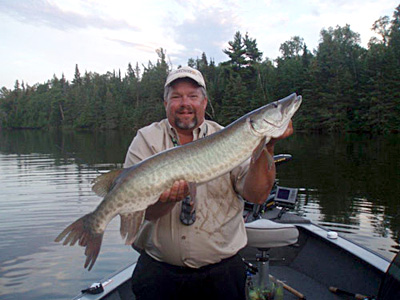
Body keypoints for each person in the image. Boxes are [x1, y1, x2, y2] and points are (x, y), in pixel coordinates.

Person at [124, 66, 293, 300]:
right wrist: (167, 201)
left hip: (221, 276)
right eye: (176, 96)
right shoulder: (146, 140)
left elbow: (257, 195)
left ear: (204, 102)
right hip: (159, 274)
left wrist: (268, 146)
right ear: (165, 104)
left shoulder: (232, 137)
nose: (185, 103)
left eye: (193, 96)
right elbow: (140, 212)